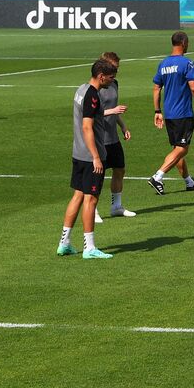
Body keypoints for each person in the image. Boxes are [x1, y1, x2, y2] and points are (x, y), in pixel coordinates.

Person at [58, 58, 124, 260]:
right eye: (110, 78)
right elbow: (87, 126)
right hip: (90, 157)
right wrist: (96, 156)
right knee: (91, 199)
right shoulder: (92, 95)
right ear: (101, 76)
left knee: (77, 196)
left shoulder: (81, 89)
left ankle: (65, 242)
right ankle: (89, 247)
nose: (112, 81)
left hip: (78, 152)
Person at [147, 31, 194, 195]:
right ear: (184, 43)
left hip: (169, 113)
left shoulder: (163, 64)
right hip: (183, 113)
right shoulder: (187, 63)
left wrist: (157, 110)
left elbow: (156, 88)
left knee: (177, 148)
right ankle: (158, 176)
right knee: (182, 148)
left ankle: (189, 182)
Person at [98, 51, 136, 219]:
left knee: (120, 169)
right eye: (114, 68)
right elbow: (91, 114)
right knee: (97, 176)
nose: (116, 72)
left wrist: (123, 127)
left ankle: (116, 206)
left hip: (113, 137)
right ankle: (92, 210)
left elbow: (115, 110)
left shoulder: (114, 83)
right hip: (99, 138)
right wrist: (112, 111)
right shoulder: (95, 88)